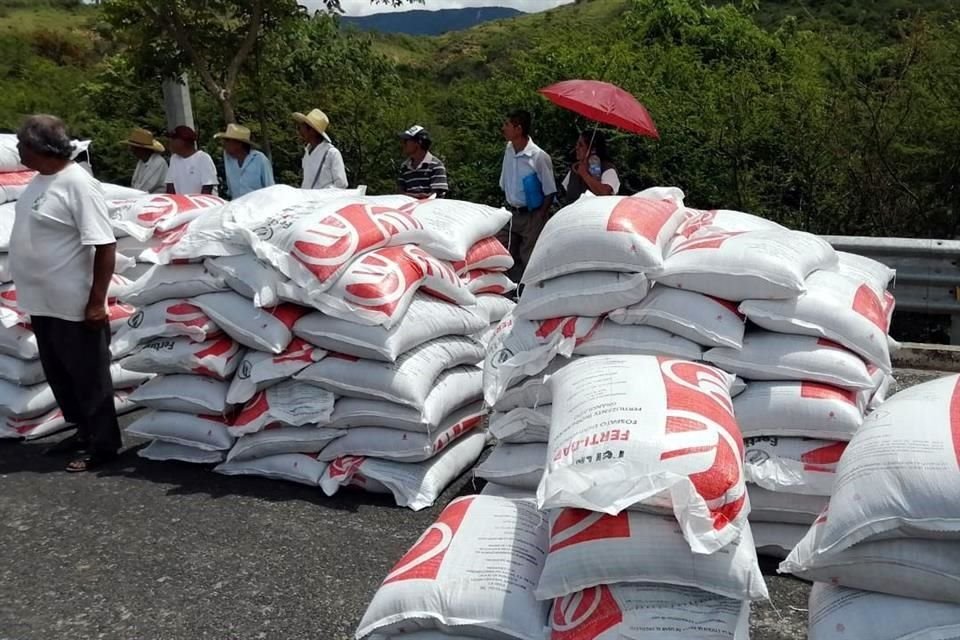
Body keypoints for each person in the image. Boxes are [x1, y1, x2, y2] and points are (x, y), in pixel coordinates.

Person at [9, 115, 121, 472]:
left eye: (21, 144)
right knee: (61, 375)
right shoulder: (39, 182)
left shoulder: (77, 184)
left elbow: (104, 245)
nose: (17, 150)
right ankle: (83, 431)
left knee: (89, 377)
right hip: (43, 303)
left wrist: (95, 302)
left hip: (74, 304)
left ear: (39, 147)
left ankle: (103, 445)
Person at [498, 109, 557, 284]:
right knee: (505, 253)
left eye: (507, 125)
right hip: (511, 212)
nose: (504, 128)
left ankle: (530, 290)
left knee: (529, 257)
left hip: (531, 214)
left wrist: (540, 215)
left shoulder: (538, 157)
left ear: (518, 129)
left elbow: (550, 190)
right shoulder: (509, 149)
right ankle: (512, 290)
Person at [214, 123, 274, 199]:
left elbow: (270, 188)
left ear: (239, 144)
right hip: (237, 206)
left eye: (227, 140)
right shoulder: (228, 158)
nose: (224, 143)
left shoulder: (260, 159)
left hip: (258, 206)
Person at [292, 108, 348, 190]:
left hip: (324, 201)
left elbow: (342, 184)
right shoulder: (307, 153)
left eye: (301, 128)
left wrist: (321, 195)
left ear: (312, 131)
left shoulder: (332, 153)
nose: (300, 132)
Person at [561, 130, 621, 203]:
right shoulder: (575, 168)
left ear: (593, 149)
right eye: (577, 144)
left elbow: (604, 194)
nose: (576, 148)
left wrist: (585, 174)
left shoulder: (608, 169)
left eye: (581, 145)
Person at [397, 125, 448, 199]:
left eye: (406, 141)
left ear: (418, 143)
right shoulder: (404, 167)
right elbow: (399, 194)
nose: (403, 144)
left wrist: (407, 196)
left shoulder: (436, 165)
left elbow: (434, 197)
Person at [165, 125, 218, 195]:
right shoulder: (174, 159)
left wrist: (195, 205)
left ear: (183, 141)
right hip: (182, 203)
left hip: (203, 204)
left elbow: (207, 189)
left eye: (173, 139)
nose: (170, 142)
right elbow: (170, 186)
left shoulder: (203, 158)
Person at [122, 127, 168, 194]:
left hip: (156, 200)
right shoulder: (141, 161)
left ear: (142, 149)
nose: (132, 150)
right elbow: (135, 184)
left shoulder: (158, 163)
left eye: (134, 148)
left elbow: (144, 189)